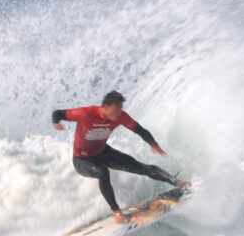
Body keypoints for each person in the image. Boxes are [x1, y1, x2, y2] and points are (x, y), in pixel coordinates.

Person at [52, 91, 189, 224]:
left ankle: (177, 182)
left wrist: (153, 144)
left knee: (142, 167)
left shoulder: (120, 117)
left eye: (120, 109)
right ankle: (116, 211)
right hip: (82, 160)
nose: (119, 113)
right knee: (102, 172)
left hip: (104, 153)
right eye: (116, 109)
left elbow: (140, 130)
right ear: (105, 107)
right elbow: (58, 113)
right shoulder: (86, 114)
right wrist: (56, 122)